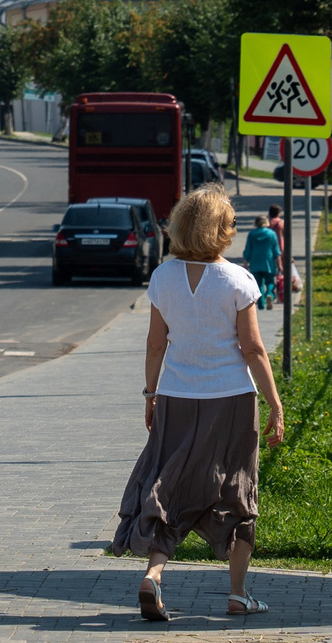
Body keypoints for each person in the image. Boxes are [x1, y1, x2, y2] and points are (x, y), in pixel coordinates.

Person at [112, 187, 287, 621]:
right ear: (221, 229)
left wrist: (151, 395)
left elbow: (156, 345)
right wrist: (275, 405)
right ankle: (237, 593)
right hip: (231, 401)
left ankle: (153, 575)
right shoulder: (238, 280)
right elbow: (254, 349)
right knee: (237, 489)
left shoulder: (163, 278)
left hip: (176, 396)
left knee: (168, 484)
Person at [242, 209, 282, 313]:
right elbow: (276, 250)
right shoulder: (271, 234)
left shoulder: (252, 234)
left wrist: (246, 261)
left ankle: (261, 304)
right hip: (268, 262)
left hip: (255, 262)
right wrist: (279, 264)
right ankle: (269, 294)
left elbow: (248, 249)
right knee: (270, 281)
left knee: (258, 283)